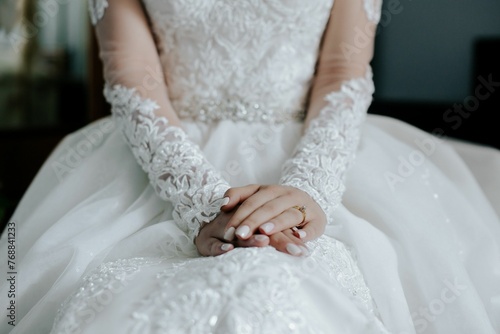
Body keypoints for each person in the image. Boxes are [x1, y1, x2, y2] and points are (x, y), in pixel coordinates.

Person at [1, 0, 500, 333]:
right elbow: (132, 75)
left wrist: (311, 192)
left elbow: (341, 69)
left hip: (316, 142)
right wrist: (203, 202)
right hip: (161, 148)